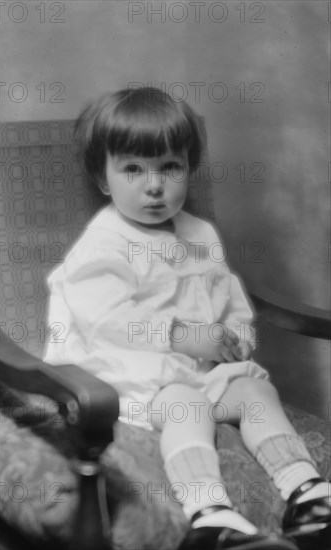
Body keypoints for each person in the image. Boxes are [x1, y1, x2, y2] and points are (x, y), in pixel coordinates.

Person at [44, 87, 330, 550]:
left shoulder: (200, 234)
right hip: (137, 378)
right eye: (133, 169)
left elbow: (228, 296)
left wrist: (234, 335)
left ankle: (307, 492)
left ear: (187, 171)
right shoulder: (103, 244)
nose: (153, 184)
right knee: (186, 404)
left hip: (202, 371)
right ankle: (210, 512)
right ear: (104, 179)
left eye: (169, 167)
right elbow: (106, 319)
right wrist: (181, 334)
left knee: (256, 390)